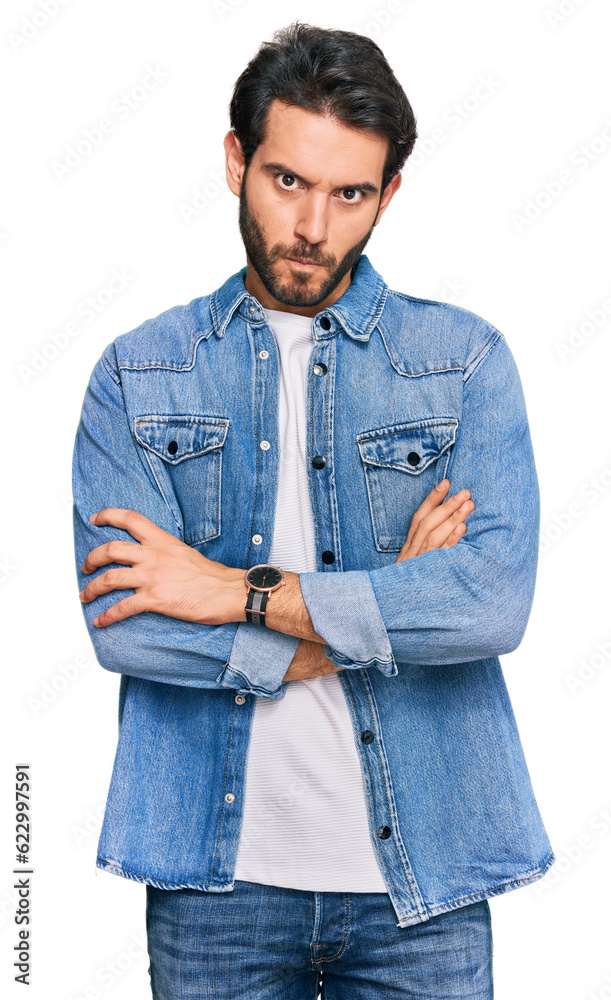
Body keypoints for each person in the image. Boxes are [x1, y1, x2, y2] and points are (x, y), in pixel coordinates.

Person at [72, 21, 555, 1000]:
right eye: (287, 181)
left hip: (423, 883)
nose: (314, 226)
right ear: (235, 160)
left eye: (350, 194)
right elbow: (127, 628)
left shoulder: (463, 364)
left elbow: (489, 606)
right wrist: (385, 613)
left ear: (388, 195)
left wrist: (232, 591)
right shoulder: (139, 372)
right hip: (217, 890)